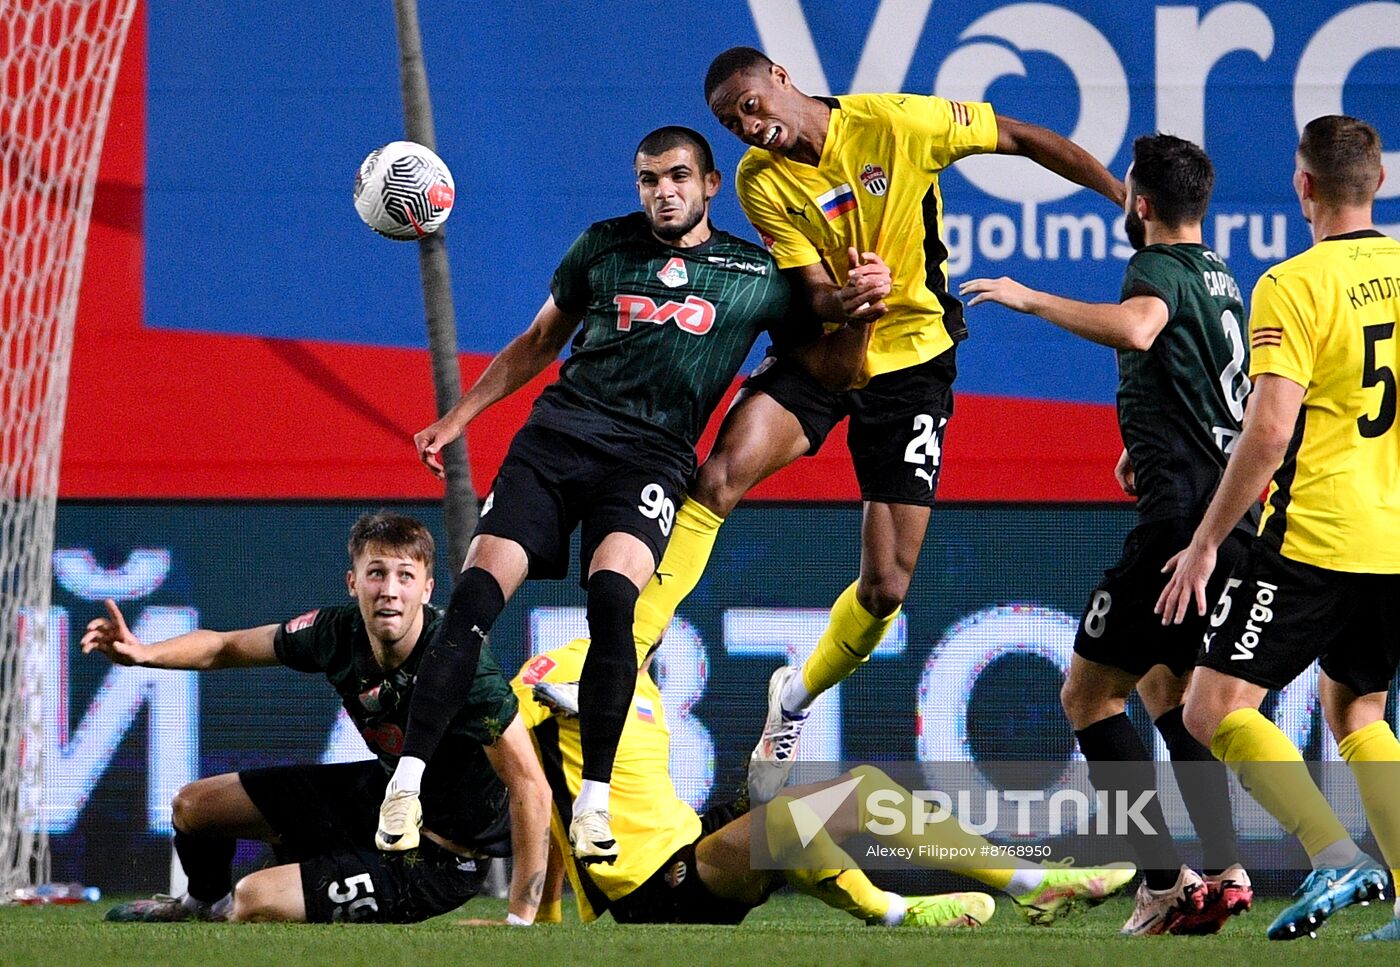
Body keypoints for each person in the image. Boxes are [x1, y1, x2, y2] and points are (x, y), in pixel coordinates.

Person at [618, 46, 1124, 806]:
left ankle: (793, 698)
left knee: (886, 587)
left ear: (782, 79)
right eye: (732, 124)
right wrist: (852, 297)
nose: (751, 128)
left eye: (753, 106)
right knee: (719, 474)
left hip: (914, 362)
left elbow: (1019, 136)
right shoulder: (762, 183)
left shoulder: (899, 124)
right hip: (824, 354)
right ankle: (624, 647)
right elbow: (813, 294)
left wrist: (1119, 196)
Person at [377, 126, 810, 867]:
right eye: (647, 179)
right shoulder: (604, 246)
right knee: (475, 598)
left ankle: (596, 803)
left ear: (710, 185)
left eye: (677, 177)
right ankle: (406, 782)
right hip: (556, 442)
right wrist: (459, 416)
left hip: (651, 459)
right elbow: (540, 340)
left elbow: (812, 353)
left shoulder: (756, 274)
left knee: (614, 604)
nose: (662, 192)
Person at [959, 134, 1252, 935]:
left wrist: (1031, 298)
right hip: (1226, 521)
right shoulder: (1223, 277)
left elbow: (1139, 329)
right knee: (1168, 692)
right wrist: (1143, 441)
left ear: (1142, 204)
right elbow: (1214, 383)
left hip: (1178, 530)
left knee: (1088, 695)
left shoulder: (1153, 270)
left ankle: (1163, 882)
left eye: (1126, 191)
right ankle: (1224, 870)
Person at [1156, 115, 1400, 942]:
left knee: (1210, 706)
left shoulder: (1292, 284)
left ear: (1303, 187)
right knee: (1358, 706)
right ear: (1379, 182)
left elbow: (1268, 433)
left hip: (1314, 538)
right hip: (1396, 539)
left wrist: (1205, 541)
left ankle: (1331, 852)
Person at [83, 512, 550, 925]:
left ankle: (252, 898)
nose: (389, 590)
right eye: (376, 573)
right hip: (377, 802)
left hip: (437, 859)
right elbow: (224, 647)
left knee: (255, 898)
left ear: (426, 589)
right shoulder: (335, 632)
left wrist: (520, 920)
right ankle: (199, 903)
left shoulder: (463, 665)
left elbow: (531, 786)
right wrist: (143, 653)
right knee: (194, 805)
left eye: (405, 576)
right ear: (353, 582)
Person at [513, 639, 1134, 928]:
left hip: (689, 844)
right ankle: (1018, 887)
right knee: (846, 798)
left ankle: (902, 910)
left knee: (801, 810)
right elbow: (535, 789)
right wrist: (534, 917)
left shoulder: (641, 679)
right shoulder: (557, 668)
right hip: (653, 888)